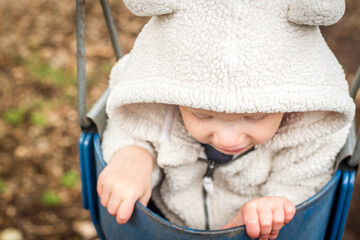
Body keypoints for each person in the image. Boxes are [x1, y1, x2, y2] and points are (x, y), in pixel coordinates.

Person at [97, 0, 354, 239]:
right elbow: (129, 126)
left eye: (254, 115)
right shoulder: (156, 104)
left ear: (290, 100)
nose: (227, 138)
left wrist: (276, 206)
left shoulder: (306, 131)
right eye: (202, 114)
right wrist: (133, 155)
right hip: (163, 221)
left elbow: (303, 182)